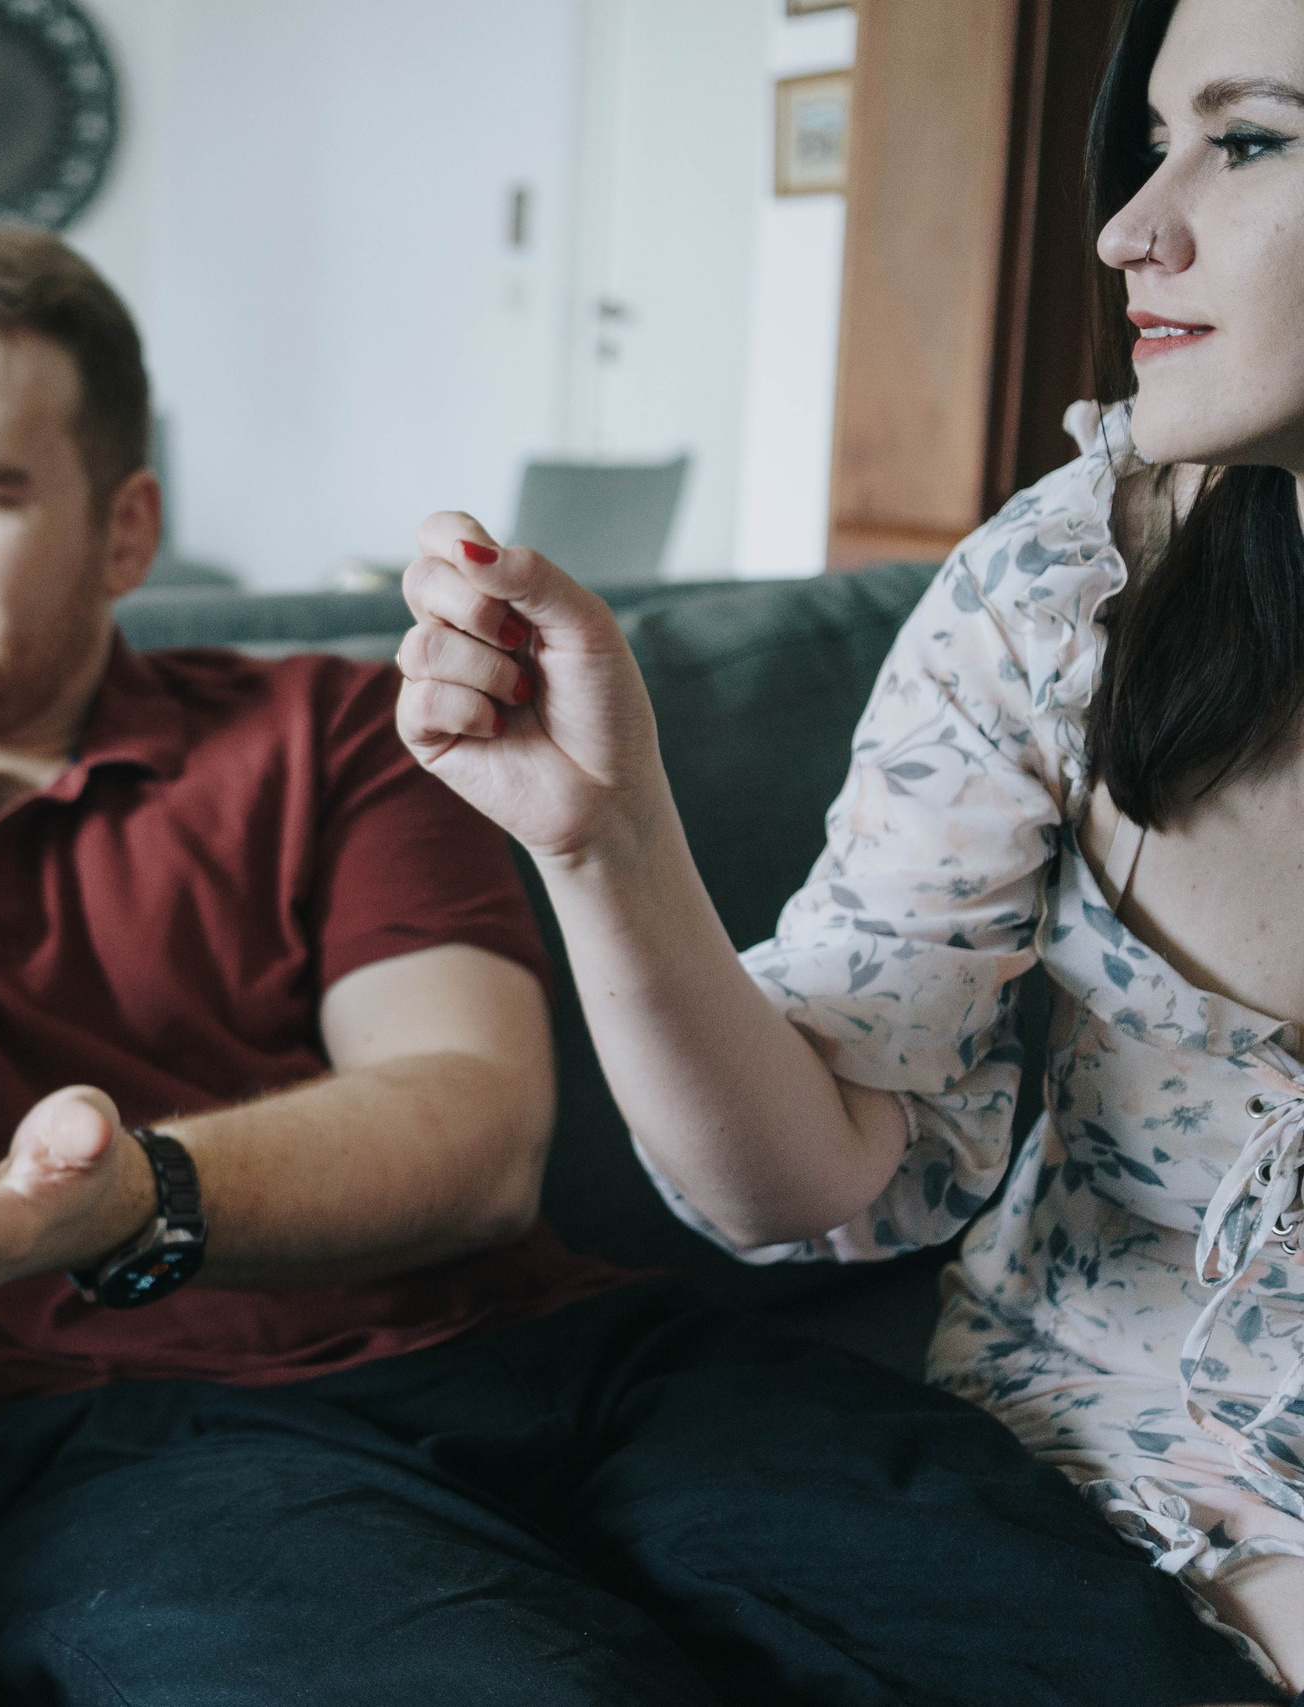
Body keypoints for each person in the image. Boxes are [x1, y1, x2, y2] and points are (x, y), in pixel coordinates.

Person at [0, 224, 1264, 1703]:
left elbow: (469, 1132)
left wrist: (137, 1197)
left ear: (123, 531)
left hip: (572, 1362)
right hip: (99, 1447)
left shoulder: (328, 729)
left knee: (1083, 1662)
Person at [394, 0, 1304, 1694]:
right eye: (1161, 135)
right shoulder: (1058, 596)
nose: (1128, 227)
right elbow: (805, 1173)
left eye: (1247, 140)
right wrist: (603, 841)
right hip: (1080, 1512)